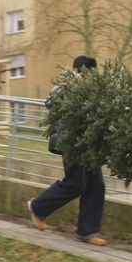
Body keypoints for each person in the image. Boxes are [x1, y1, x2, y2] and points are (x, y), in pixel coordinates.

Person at [25, 55, 107, 246]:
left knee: (96, 185)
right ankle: (37, 207)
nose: (92, 76)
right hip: (72, 142)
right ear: (80, 72)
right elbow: (50, 102)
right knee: (76, 183)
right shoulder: (66, 87)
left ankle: (87, 231)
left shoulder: (94, 90)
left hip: (89, 144)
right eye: (88, 72)